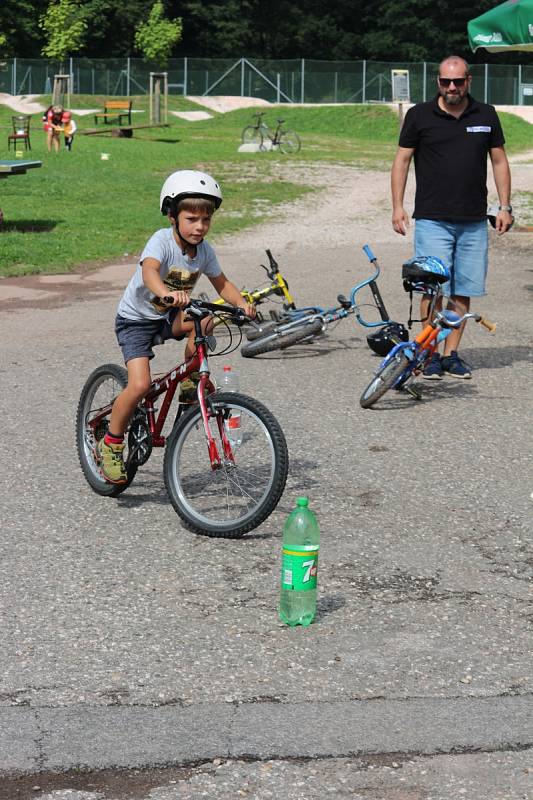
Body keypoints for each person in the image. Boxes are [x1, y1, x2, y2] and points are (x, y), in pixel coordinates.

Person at [97, 169, 256, 485]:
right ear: (172, 216)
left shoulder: (205, 251)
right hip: (136, 321)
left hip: (168, 317)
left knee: (206, 318)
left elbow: (222, 284)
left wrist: (242, 304)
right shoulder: (161, 241)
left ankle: (190, 376)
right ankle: (111, 443)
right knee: (140, 385)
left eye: (206, 220)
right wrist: (165, 292)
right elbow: (150, 272)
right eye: (191, 219)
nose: (199, 227)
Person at [391, 55, 513, 380]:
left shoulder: (486, 114)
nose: (452, 87)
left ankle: (450, 355)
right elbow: (401, 161)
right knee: (432, 289)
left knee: (462, 289)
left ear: (469, 81)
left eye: (458, 81)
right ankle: (428, 354)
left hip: (473, 220)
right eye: (446, 81)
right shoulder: (419, 115)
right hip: (433, 218)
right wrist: (397, 206)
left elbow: (499, 162)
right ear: (438, 82)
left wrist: (505, 206)